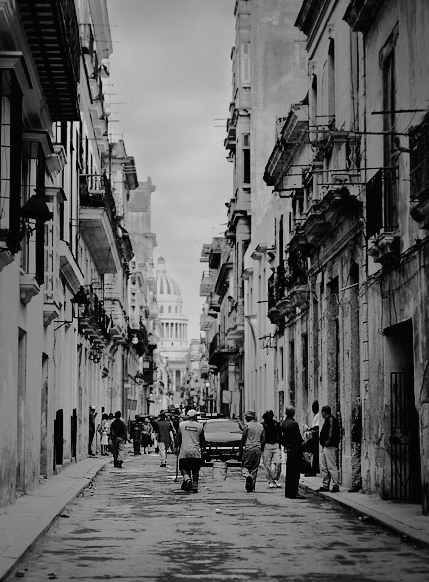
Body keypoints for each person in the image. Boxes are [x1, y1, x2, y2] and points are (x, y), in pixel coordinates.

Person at [176, 409, 206, 493]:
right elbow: (202, 439)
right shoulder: (199, 426)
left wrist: (176, 447)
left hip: (185, 451)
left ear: (188, 416)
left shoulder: (182, 425)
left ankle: (187, 479)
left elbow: (178, 437)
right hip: (196, 451)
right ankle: (195, 486)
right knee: (195, 470)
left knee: (183, 468)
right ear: (195, 416)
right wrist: (204, 450)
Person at [281, 405, 305, 499]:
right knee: (295, 473)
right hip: (295, 449)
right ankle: (294, 492)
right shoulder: (294, 424)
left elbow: (281, 438)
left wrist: (286, 445)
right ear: (293, 413)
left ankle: (288, 492)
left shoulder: (284, 423)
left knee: (289, 472)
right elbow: (298, 437)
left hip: (289, 449)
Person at [238, 410, 265, 493]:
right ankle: (252, 486)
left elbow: (243, 438)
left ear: (249, 417)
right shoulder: (261, 426)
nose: (245, 418)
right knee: (254, 468)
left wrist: (240, 450)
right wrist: (261, 449)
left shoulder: (247, 426)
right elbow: (263, 439)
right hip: (258, 449)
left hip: (249, 448)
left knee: (245, 466)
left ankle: (247, 476)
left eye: (246, 417)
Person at [317, 405, 341, 493]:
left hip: (330, 447)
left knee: (331, 466)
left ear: (324, 412)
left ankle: (335, 485)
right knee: (324, 467)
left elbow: (330, 433)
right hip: (325, 447)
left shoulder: (330, 420)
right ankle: (325, 485)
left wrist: (327, 443)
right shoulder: (327, 420)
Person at [261, 410, 283, 489]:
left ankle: (276, 478)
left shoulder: (276, 424)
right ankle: (270, 480)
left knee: (278, 462)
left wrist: (281, 444)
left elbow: (280, 435)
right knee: (267, 465)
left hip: (275, 444)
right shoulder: (263, 425)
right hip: (267, 445)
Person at [302, 400, 320, 476]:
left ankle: (310, 468)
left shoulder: (318, 416)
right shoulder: (316, 416)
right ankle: (311, 469)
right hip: (313, 437)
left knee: (305, 449)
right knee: (314, 454)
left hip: (315, 437)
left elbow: (317, 427)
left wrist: (309, 429)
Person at [349, 395, 362, 492]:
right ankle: (357, 482)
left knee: (355, 461)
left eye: (358, 401)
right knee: (355, 461)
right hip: (356, 442)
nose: (356, 403)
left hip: (358, 442)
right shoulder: (358, 413)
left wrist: (357, 442)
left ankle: (357, 483)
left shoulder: (361, 414)